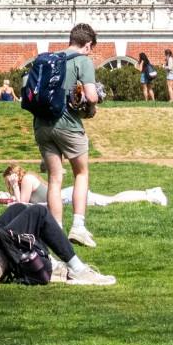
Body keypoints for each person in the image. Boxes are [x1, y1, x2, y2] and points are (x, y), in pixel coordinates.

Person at [31, 23, 103, 246]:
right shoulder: (83, 61)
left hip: (41, 125)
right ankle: (78, 226)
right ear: (88, 45)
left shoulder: (49, 59)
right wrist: (95, 101)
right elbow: (90, 96)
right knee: (81, 173)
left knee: (55, 178)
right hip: (68, 125)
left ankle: (56, 231)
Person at [0, 163, 165, 221]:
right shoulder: (28, 179)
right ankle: (149, 193)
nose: (9, 184)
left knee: (110, 200)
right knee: (110, 199)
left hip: (70, 197)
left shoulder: (28, 179)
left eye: (9, 180)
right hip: (67, 195)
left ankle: (149, 194)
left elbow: (22, 205)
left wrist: (14, 187)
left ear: (14, 175)